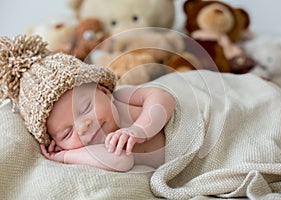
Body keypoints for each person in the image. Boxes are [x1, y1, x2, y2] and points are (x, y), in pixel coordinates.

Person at [0, 35, 175, 172]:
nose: (83, 127)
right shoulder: (92, 150)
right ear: (56, 144)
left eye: (86, 108)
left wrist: (140, 130)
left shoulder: (122, 97)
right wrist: (66, 157)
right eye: (67, 133)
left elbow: (162, 96)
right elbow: (121, 161)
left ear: (104, 92)